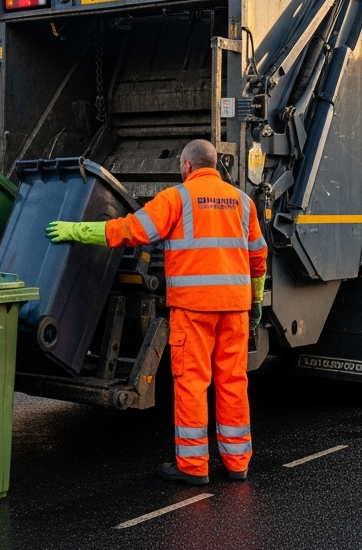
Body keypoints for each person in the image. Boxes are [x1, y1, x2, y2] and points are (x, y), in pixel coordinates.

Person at [46, 139, 267, 485]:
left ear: (187, 167)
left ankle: (193, 467)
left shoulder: (176, 198)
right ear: (214, 165)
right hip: (235, 309)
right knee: (233, 383)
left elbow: (130, 230)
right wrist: (255, 303)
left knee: (192, 384)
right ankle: (237, 463)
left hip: (193, 310)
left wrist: (77, 230)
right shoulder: (243, 202)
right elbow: (258, 258)